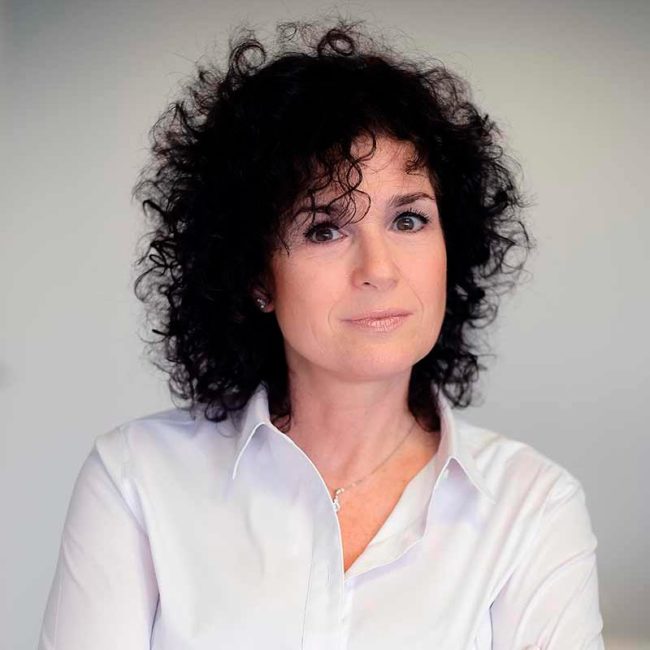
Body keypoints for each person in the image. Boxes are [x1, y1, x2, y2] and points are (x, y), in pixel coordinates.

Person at [37, 17, 604, 649]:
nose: (379, 270)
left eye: (409, 220)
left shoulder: (533, 508)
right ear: (256, 274)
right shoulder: (135, 481)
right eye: (325, 229)